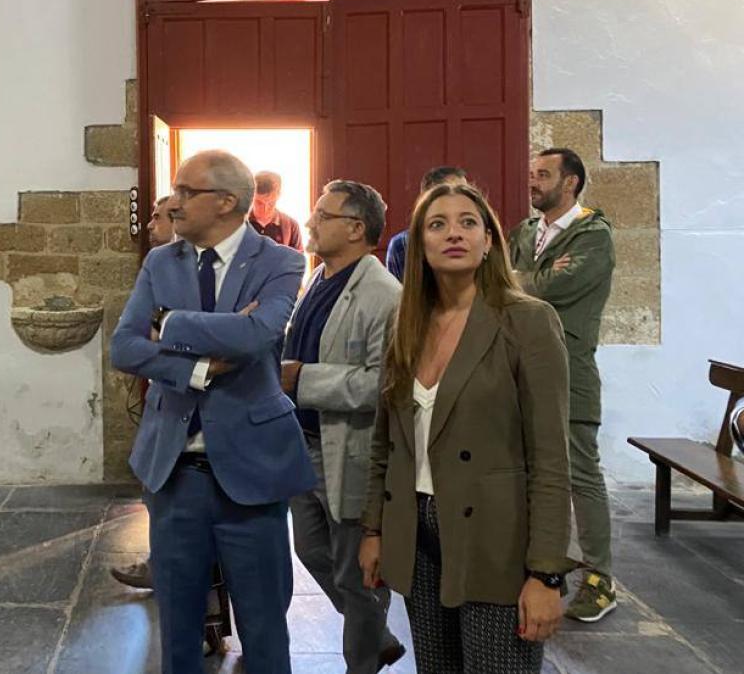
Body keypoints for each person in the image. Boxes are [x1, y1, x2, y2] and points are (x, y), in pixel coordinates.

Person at [112, 150, 315, 674]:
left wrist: (169, 321)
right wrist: (200, 369)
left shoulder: (282, 261)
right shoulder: (161, 261)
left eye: (184, 192)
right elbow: (126, 348)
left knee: (264, 624)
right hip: (175, 472)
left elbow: (256, 335)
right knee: (177, 624)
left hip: (253, 470)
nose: (171, 203)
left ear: (226, 202)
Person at [359, 182, 573, 673]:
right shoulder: (406, 322)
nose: (453, 233)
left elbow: (550, 458)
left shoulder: (527, 321)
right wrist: (374, 529)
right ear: (419, 244)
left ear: (489, 241)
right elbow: (385, 443)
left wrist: (547, 574)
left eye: (468, 222)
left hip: (496, 537)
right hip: (418, 534)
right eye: (437, 224)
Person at [281, 180, 406, 673]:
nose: (310, 222)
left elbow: (384, 384)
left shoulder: (383, 295)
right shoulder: (318, 278)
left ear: (356, 229)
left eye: (322, 214)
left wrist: (303, 379)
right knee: (311, 549)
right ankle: (378, 634)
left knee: (358, 573)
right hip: (304, 443)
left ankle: (363, 661)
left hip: (348, 448)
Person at [509, 148, 617, 623]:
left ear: (570, 182)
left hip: (570, 372)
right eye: (531, 173)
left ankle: (599, 578)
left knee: (580, 474)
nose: (533, 182)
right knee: (523, 470)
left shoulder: (593, 235)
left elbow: (547, 288)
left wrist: (514, 281)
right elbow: (507, 283)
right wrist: (518, 280)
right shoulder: (526, 232)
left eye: (544, 175)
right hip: (518, 369)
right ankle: (538, 565)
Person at [111, 194, 175, 591]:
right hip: (163, 404)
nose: (149, 225)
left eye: (158, 217)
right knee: (155, 493)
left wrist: (168, 337)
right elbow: (129, 344)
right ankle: (161, 564)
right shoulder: (157, 267)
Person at [385, 166, 468, 281]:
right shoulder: (403, 245)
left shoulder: (478, 238)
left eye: (466, 192)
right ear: (427, 199)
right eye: (454, 193)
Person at [249, 170, 303, 250]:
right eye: (259, 203)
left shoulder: (291, 226)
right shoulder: (236, 225)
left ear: (279, 196)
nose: (265, 209)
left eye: (271, 203)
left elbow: (299, 261)